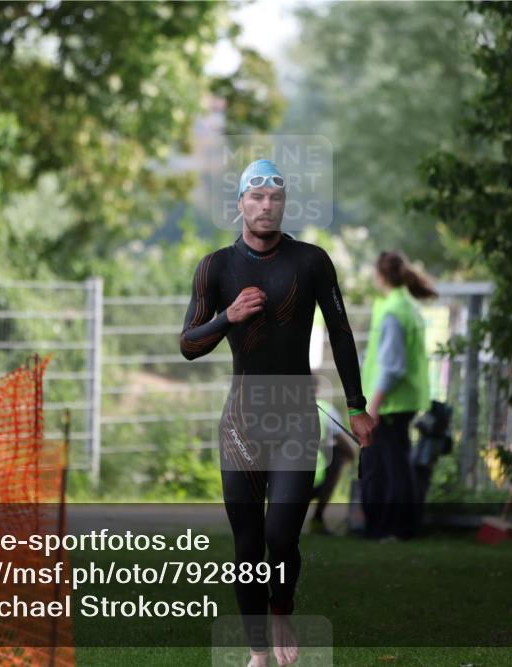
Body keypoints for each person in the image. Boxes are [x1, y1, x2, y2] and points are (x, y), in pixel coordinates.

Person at [180, 159, 375, 667]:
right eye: (256, 197)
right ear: (240, 203)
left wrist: (356, 406)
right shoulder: (216, 267)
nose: (266, 206)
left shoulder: (311, 261)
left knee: (280, 534)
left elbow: (341, 333)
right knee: (247, 544)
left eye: (275, 198)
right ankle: (258, 650)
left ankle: (282, 607)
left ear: (283, 205)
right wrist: (228, 316)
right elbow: (187, 345)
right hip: (241, 424)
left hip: (294, 417)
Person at [360, 250, 437, 541]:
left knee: (390, 469)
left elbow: (392, 366)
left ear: (379, 276)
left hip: (389, 403)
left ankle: (395, 529)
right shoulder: (405, 305)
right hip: (399, 402)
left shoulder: (393, 310)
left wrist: (374, 407)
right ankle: (391, 528)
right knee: (393, 466)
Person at [309, 392, 356, 535]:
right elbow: (342, 441)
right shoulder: (325, 410)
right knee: (337, 455)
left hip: (276, 478)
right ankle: (317, 518)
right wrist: (352, 457)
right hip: (315, 477)